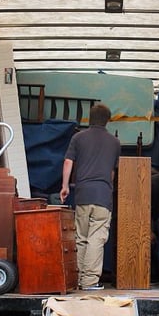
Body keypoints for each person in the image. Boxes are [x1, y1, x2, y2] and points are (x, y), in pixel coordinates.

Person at [59, 103, 121, 291]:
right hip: (103, 196)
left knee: (80, 237)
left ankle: (76, 279)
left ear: (89, 118)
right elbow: (112, 172)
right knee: (97, 238)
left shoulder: (78, 138)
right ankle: (89, 281)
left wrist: (64, 186)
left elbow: (69, 161)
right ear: (107, 121)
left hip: (83, 193)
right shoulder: (115, 142)